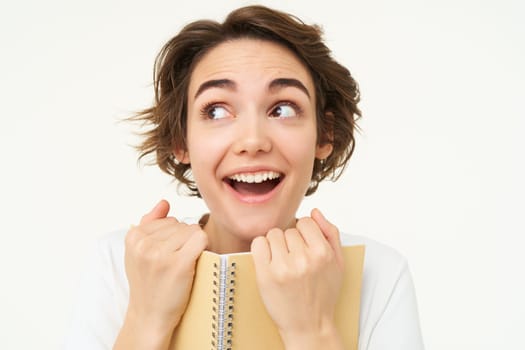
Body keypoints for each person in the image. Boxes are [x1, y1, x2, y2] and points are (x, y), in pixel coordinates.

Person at [64, 5, 424, 350]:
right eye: (217, 110)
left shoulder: (379, 274)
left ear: (324, 135)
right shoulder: (118, 262)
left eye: (283, 109)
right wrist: (146, 319)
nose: (252, 141)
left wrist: (311, 330)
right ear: (180, 140)